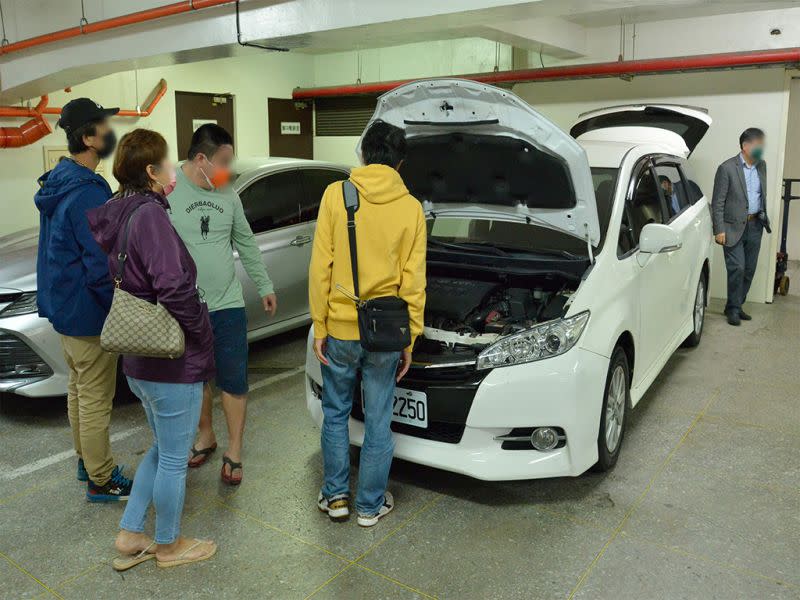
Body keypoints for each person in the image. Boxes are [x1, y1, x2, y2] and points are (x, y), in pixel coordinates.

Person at [87, 129, 217, 570]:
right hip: (169, 361)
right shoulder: (150, 216)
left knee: (162, 449)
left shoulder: (120, 215)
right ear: (150, 171)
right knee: (176, 458)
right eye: (166, 163)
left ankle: (129, 533)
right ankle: (168, 545)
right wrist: (201, 332)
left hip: (140, 359)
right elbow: (173, 286)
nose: (172, 170)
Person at [309, 120, 426, 527]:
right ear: (400, 162)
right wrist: (411, 334)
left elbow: (320, 267)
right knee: (379, 417)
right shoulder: (411, 207)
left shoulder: (334, 196)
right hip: (387, 332)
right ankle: (370, 506)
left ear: (362, 155)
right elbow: (413, 280)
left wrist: (319, 325)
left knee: (336, 411)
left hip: (340, 327)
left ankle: (336, 497)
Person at [33, 97, 133, 502]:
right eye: (105, 127)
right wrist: (119, 309)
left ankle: (85, 459)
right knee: (95, 396)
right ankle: (101, 478)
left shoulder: (60, 182)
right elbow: (99, 263)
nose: (111, 133)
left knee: (77, 388)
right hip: (89, 311)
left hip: (64, 308)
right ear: (89, 138)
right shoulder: (89, 192)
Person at [168, 124, 277, 485]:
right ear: (201, 160)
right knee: (194, 378)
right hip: (185, 306)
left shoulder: (228, 192)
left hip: (227, 304)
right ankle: (206, 435)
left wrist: (263, 285)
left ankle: (235, 450)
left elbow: (245, 242)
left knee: (234, 378)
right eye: (223, 161)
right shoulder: (169, 190)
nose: (227, 168)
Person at [711, 128, 771, 326]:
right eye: (758, 145)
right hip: (732, 227)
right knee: (737, 267)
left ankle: (735, 304)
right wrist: (718, 229)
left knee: (749, 269)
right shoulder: (727, 168)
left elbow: (761, 195)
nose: (761, 149)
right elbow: (718, 201)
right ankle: (734, 310)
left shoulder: (762, 166)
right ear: (745, 146)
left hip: (755, 225)